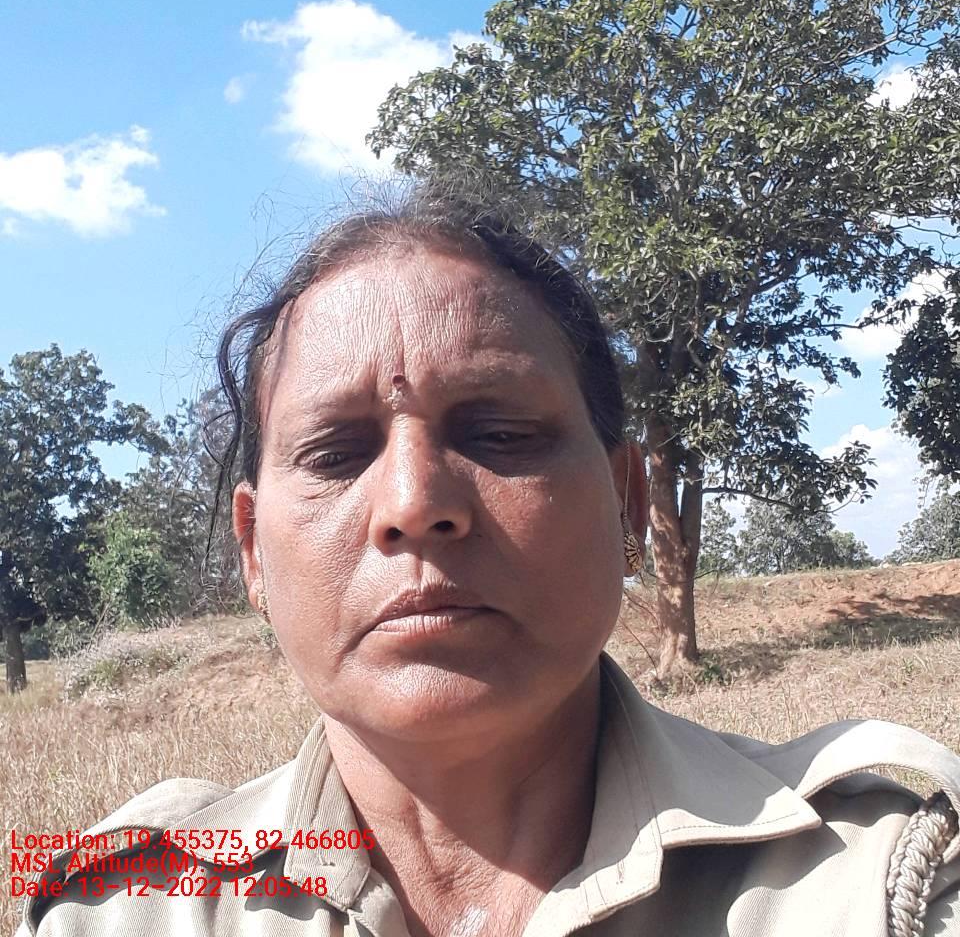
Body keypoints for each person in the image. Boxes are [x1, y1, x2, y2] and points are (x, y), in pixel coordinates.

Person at [18, 182, 960, 937]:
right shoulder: (122, 908)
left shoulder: (877, 885)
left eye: (500, 433)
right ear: (253, 551)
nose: (412, 504)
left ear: (629, 505)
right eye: (336, 454)